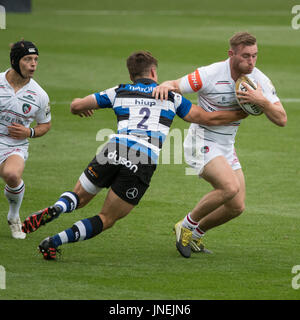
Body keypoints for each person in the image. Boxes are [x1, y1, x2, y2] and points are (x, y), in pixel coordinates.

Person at [21, 50, 246, 260]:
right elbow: (207, 118)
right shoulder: (171, 98)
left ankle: (58, 207)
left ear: (131, 75)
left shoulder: (119, 91)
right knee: (106, 218)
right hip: (142, 159)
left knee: (78, 196)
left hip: (114, 148)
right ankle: (53, 241)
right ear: (154, 72)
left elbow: (76, 105)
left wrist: (82, 108)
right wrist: (243, 112)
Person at [153, 32, 287, 258]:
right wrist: (163, 86)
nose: (251, 61)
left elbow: (281, 119)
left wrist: (260, 100)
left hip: (226, 146)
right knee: (229, 187)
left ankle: (195, 235)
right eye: (246, 56)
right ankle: (185, 226)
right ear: (231, 54)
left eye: (255, 56)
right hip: (201, 142)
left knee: (237, 206)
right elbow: (176, 84)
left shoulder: (258, 80)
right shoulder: (211, 74)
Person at [0, 40, 51, 239]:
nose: (33, 64)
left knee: (12, 175)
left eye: (36, 60)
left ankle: (13, 217)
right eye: (27, 59)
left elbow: (45, 124)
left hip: (14, 145)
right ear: (15, 61)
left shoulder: (39, 95)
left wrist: (28, 133)